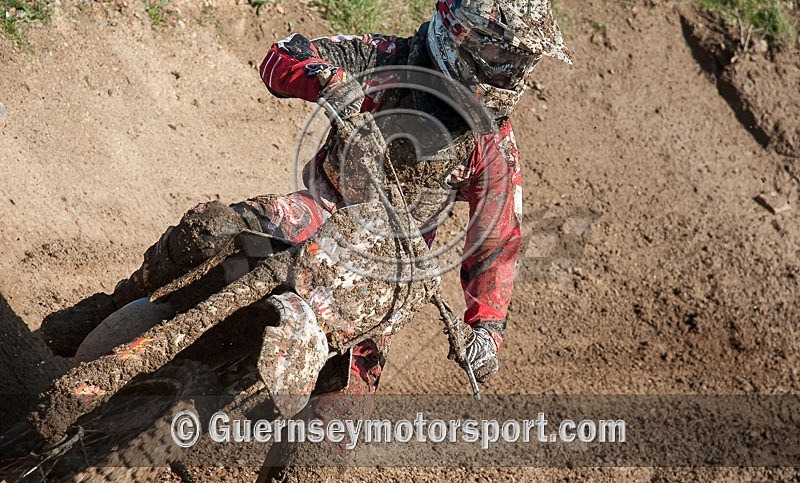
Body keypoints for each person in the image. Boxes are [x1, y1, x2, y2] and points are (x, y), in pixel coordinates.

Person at [42, 0, 571, 403]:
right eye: (503, 52)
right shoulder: (385, 58)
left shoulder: (492, 140)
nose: (510, 68)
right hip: (319, 211)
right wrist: (326, 79)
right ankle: (114, 301)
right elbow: (283, 55)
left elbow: (496, 238)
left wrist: (485, 329)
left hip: (386, 271)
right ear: (461, 32)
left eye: (520, 58)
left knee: (342, 410)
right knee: (210, 229)